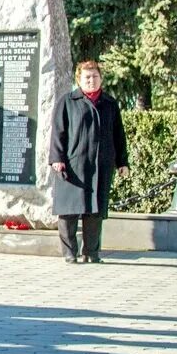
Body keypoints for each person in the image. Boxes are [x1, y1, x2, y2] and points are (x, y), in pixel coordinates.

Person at [50, 60, 129, 264]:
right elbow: (58, 132)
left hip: (100, 165)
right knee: (68, 211)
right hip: (73, 165)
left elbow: (118, 135)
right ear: (79, 80)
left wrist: (122, 162)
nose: (91, 80)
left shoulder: (109, 104)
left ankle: (91, 253)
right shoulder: (68, 101)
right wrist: (57, 159)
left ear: (101, 78)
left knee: (94, 210)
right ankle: (69, 253)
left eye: (95, 76)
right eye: (87, 77)